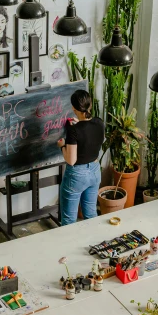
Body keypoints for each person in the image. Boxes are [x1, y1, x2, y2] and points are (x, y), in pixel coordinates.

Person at [57, 90, 104, 226]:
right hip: (95, 171)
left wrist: (62, 146)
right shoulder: (99, 123)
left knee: (69, 220)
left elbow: (71, 160)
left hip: (77, 176)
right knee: (91, 215)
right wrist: (80, 123)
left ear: (73, 107)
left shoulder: (74, 131)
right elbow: (91, 137)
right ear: (89, 105)